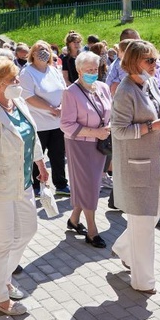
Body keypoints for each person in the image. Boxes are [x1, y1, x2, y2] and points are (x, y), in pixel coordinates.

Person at [0, 57, 50, 316]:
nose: (18, 82)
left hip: (23, 183)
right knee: (1, 242)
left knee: (27, 230)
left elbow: (32, 135)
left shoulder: (19, 103)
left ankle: (3, 277)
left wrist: (40, 164)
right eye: (13, 79)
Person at [110, 41, 160, 294]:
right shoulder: (125, 90)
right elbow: (118, 130)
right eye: (150, 60)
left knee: (152, 214)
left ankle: (124, 249)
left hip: (155, 163)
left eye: (156, 60)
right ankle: (142, 281)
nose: (155, 64)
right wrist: (152, 127)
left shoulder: (148, 83)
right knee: (145, 226)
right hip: (136, 167)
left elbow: (156, 114)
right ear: (134, 61)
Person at [61, 52, 113, 248]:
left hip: (101, 143)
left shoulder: (103, 87)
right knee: (90, 186)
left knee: (90, 184)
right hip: (80, 145)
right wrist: (95, 132)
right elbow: (66, 124)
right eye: (88, 70)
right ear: (79, 70)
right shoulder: (71, 92)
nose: (93, 73)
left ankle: (74, 219)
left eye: (95, 69)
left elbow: (110, 112)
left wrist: (107, 129)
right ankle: (92, 230)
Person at [19, 40, 71, 197]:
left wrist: (62, 106)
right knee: (37, 156)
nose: (44, 52)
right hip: (38, 123)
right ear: (32, 53)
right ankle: (35, 185)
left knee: (58, 155)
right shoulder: (27, 72)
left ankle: (61, 184)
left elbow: (63, 90)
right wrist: (50, 109)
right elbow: (28, 96)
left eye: (46, 49)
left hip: (57, 122)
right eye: (40, 49)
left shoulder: (53, 69)